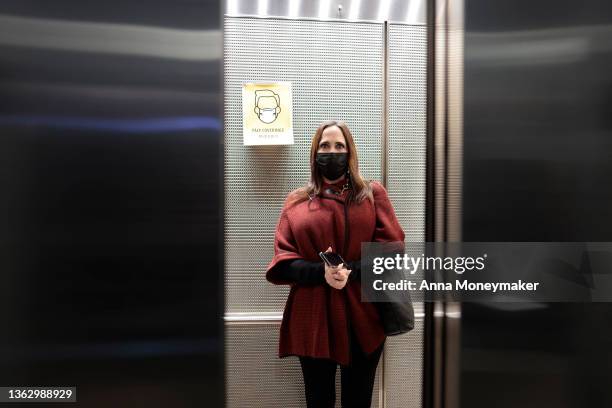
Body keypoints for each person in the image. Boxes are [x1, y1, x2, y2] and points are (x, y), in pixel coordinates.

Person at [265, 120, 405, 408]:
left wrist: (350, 271)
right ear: (315, 153)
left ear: (350, 152)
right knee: (318, 401)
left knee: (358, 400)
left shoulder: (372, 194)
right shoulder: (296, 201)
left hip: (363, 316)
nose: (332, 152)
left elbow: (393, 251)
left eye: (339, 146)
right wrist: (322, 273)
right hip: (312, 316)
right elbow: (283, 262)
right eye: (325, 146)